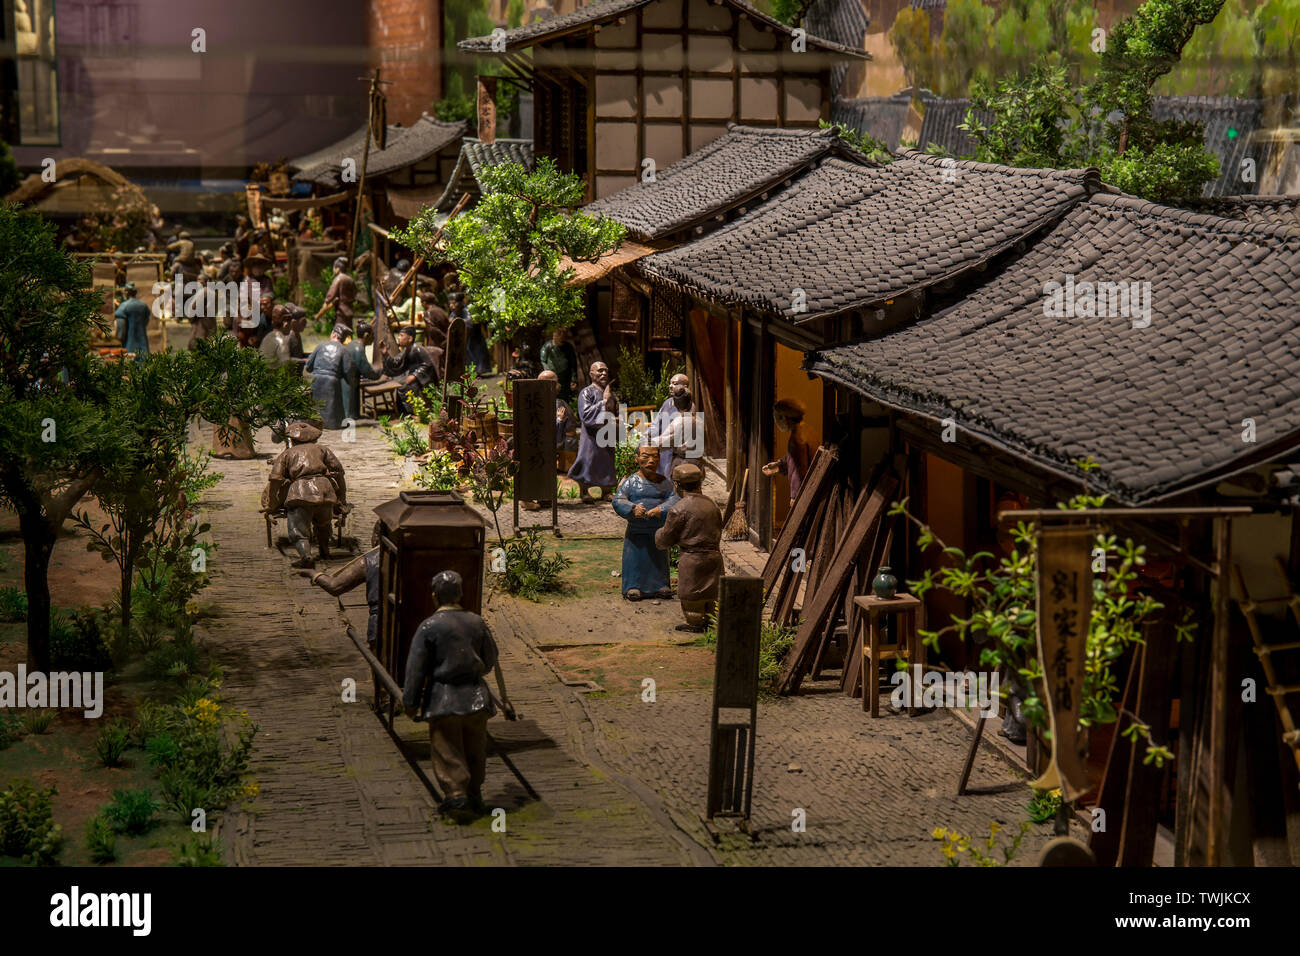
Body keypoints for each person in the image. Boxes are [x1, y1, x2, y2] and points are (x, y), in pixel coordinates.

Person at [402, 570, 499, 816]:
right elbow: (490, 658)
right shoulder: (476, 622)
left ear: (435, 596)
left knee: (447, 748)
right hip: (476, 697)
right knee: (475, 747)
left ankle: (456, 793)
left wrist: (411, 702)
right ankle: (474, 792)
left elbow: (415, 668)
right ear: (460, 593)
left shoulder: (429, 627)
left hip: (442, 699)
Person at [265, 421, 347, 569]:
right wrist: (342, 499)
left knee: (299, 530)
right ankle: (324, 551)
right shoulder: (323, 450)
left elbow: (275, 480)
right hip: (324, 491)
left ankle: (306, 556)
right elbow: (339, 474)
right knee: (323, 525)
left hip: (300, 492)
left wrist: (271, 503)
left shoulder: (287, 454)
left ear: (292, 439)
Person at [655, 462, 722, 631]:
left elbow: (666, 538)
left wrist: (658, 535)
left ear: (677, 485)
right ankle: (709, 622)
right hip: (714, 558)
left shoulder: (678, 509)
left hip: (692, 560)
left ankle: (694, 623)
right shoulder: (712, 505)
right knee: (711, 594)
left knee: (692, 597)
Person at [611, 446, 679, 600]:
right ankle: (633, 585)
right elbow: (618, 500)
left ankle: (661, 585)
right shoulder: (631, 482)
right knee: (634, 558)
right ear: (637, 458)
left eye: (655, 457)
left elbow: (675, 499)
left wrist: (661, 509)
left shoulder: (664, 482)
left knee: (658, 558)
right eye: (646, 456)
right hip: (637, 530)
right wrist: (632, 508)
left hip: (657, 529)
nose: (651, 461)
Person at [301, 522, 382, 648]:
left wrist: (313, 574)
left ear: (377, 537)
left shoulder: (370, 560)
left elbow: (334, 586)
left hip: (380, 626)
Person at [568, 361, 618, 502]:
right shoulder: (586, 392)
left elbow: (615, 411)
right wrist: (603, 402)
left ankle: (606, 490)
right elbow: (585, 414)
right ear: (591, 374)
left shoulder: (609, 392)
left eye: (605, 371)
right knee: (588, 460)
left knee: (607, 462)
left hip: (608, 434)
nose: (603, 373)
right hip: (592, 435)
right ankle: (584, 491)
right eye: (599, 371)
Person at [762, 398, 813, 510]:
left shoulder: (796, 439)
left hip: (805, 492)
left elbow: (799, 470)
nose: (776, 423)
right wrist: (779, 466)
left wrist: (795, 496)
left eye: (777, 418)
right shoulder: (806, 430)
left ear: (784, 418)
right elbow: (795, 460)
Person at [379, 324, 439, 416]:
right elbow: (396, 362)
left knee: (406, 388)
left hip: (424, 380)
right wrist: (385, 353)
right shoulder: (406, 350)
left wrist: (414, 375)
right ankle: (403, 413)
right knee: (401, 386)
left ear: (410, 339)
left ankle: (411, 412)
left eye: (401, 335)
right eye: (399, 335)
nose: (398, 338)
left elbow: (428, 365)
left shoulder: (418, 349)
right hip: (414, 378)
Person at [304, 324, 356, 429]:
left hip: (317, 380)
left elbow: (308, 366)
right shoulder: (344, 350)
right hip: (332, 382)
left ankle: (316, 424)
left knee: (317, 407)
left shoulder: (320, 346)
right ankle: (332, 424)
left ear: (333, 334)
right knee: (333, 409)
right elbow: (348, 372)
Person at [647, 372, 695, 479]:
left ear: (684, 387)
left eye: (675, 383)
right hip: (663, 447)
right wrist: (648, 434)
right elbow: (656, 422)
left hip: (676, 450)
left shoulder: (689, 407)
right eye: (670, 383)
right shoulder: (667, 403)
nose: (670, 386)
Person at [342, 322, 381, 422]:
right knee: (349, 405)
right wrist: (379, 374)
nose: (373, 338)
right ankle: (350, 417)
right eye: (372, 335)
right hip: (347, 380)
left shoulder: (353, 344)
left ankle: (354, 415)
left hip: (350, 378)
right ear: (366, 335)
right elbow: (366, 370)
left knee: (353, 402)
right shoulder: (358, 349)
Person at [454, 291, 491, 375]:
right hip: (473, 336)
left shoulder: (468, 309)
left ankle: (477, 371)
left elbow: (470, 323)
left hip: (473, 336)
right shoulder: (465, 309)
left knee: (475, 354)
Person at [316, 256, 357, 330]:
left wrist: (326, 303)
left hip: (341, 311)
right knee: (349, 330)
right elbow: (355, 292)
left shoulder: (338, 279)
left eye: (334, 268)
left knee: (340, 331)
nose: (333, 270)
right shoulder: (350, 279)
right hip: (350, 309)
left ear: (338, 269)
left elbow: (331, 294)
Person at [539, 328, 579, 400]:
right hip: (552, 378)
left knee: (566, 397)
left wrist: (573, 379)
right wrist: (548, 373)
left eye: (563, 333)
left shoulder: (568, 347)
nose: (561, 336)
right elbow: (543, 360)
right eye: (559, 333)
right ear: (554, 335)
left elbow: (573, 363)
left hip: (566, 378)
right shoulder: (547, 346)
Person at [114, 282, 151, 361]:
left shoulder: (124, 306)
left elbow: (121, 324)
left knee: (130, 361)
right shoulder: (143, 305)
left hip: (129, 340)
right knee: (144, 359)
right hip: (142, 338)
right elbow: (146, 320)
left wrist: (120, 337)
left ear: (126, 292)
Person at [187, 273, 218, 349]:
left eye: (200, 279)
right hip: (209, 321)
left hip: (202, 322)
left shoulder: (204, 292)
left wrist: (191, 317)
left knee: (199, 345)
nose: (198, 282)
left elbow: (195, 306)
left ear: (206, 281)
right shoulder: (211, 292)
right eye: (197, 279)